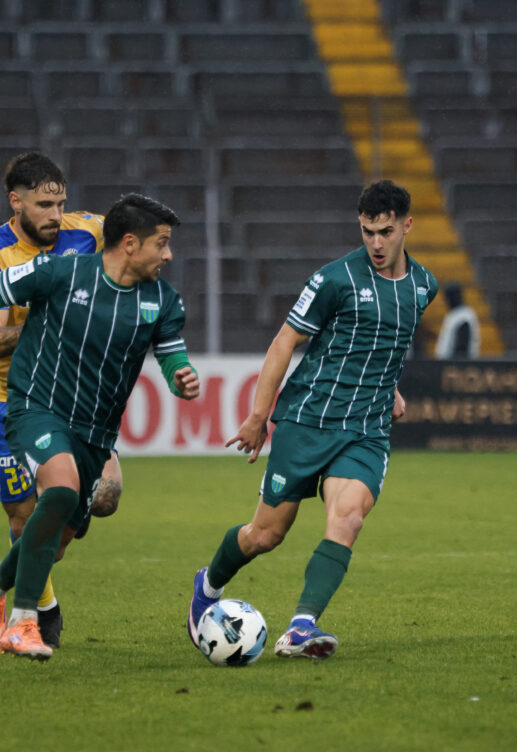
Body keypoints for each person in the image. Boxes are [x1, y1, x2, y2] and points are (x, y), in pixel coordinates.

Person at [0, 192, 200, 661]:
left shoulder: (162, 300)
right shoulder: (60, 272)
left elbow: (171, 353)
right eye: (161, 243)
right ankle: (23, 622)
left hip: (95, 432)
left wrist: (181, 376)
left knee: (57, 541)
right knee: (60, 491)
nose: (168, 255)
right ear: (129, 243)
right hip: (36, 406)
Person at [187, 179, 438, 659]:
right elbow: (285, 341)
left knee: (348, 517)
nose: (376, 243)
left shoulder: (424, 285)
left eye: (385, 232)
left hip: (365, 430)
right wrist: (259, 416)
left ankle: (301, 627)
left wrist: (389, 388)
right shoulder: (334, 280)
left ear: (407, 225)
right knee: (265, 535)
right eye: (367, 232)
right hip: (308, 419)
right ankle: (209, 584)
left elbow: (385, 340)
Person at [0, 151, 123, 649]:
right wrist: (54, 318)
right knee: (25, 518)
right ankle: (38, 610)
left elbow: (133, 243)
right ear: (15, 202)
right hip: (12, 401)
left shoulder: (89, 231)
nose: (55, 215)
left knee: (102, 499)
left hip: (73, 398)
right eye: (43, 205)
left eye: (60, 203)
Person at [434, 283, 480, 359]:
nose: (447, 301)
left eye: (449, 297)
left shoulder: (464, 317)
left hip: (458, 364)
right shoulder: (454, 314)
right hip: (448, 363)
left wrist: (455, 363)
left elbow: (461, 349)